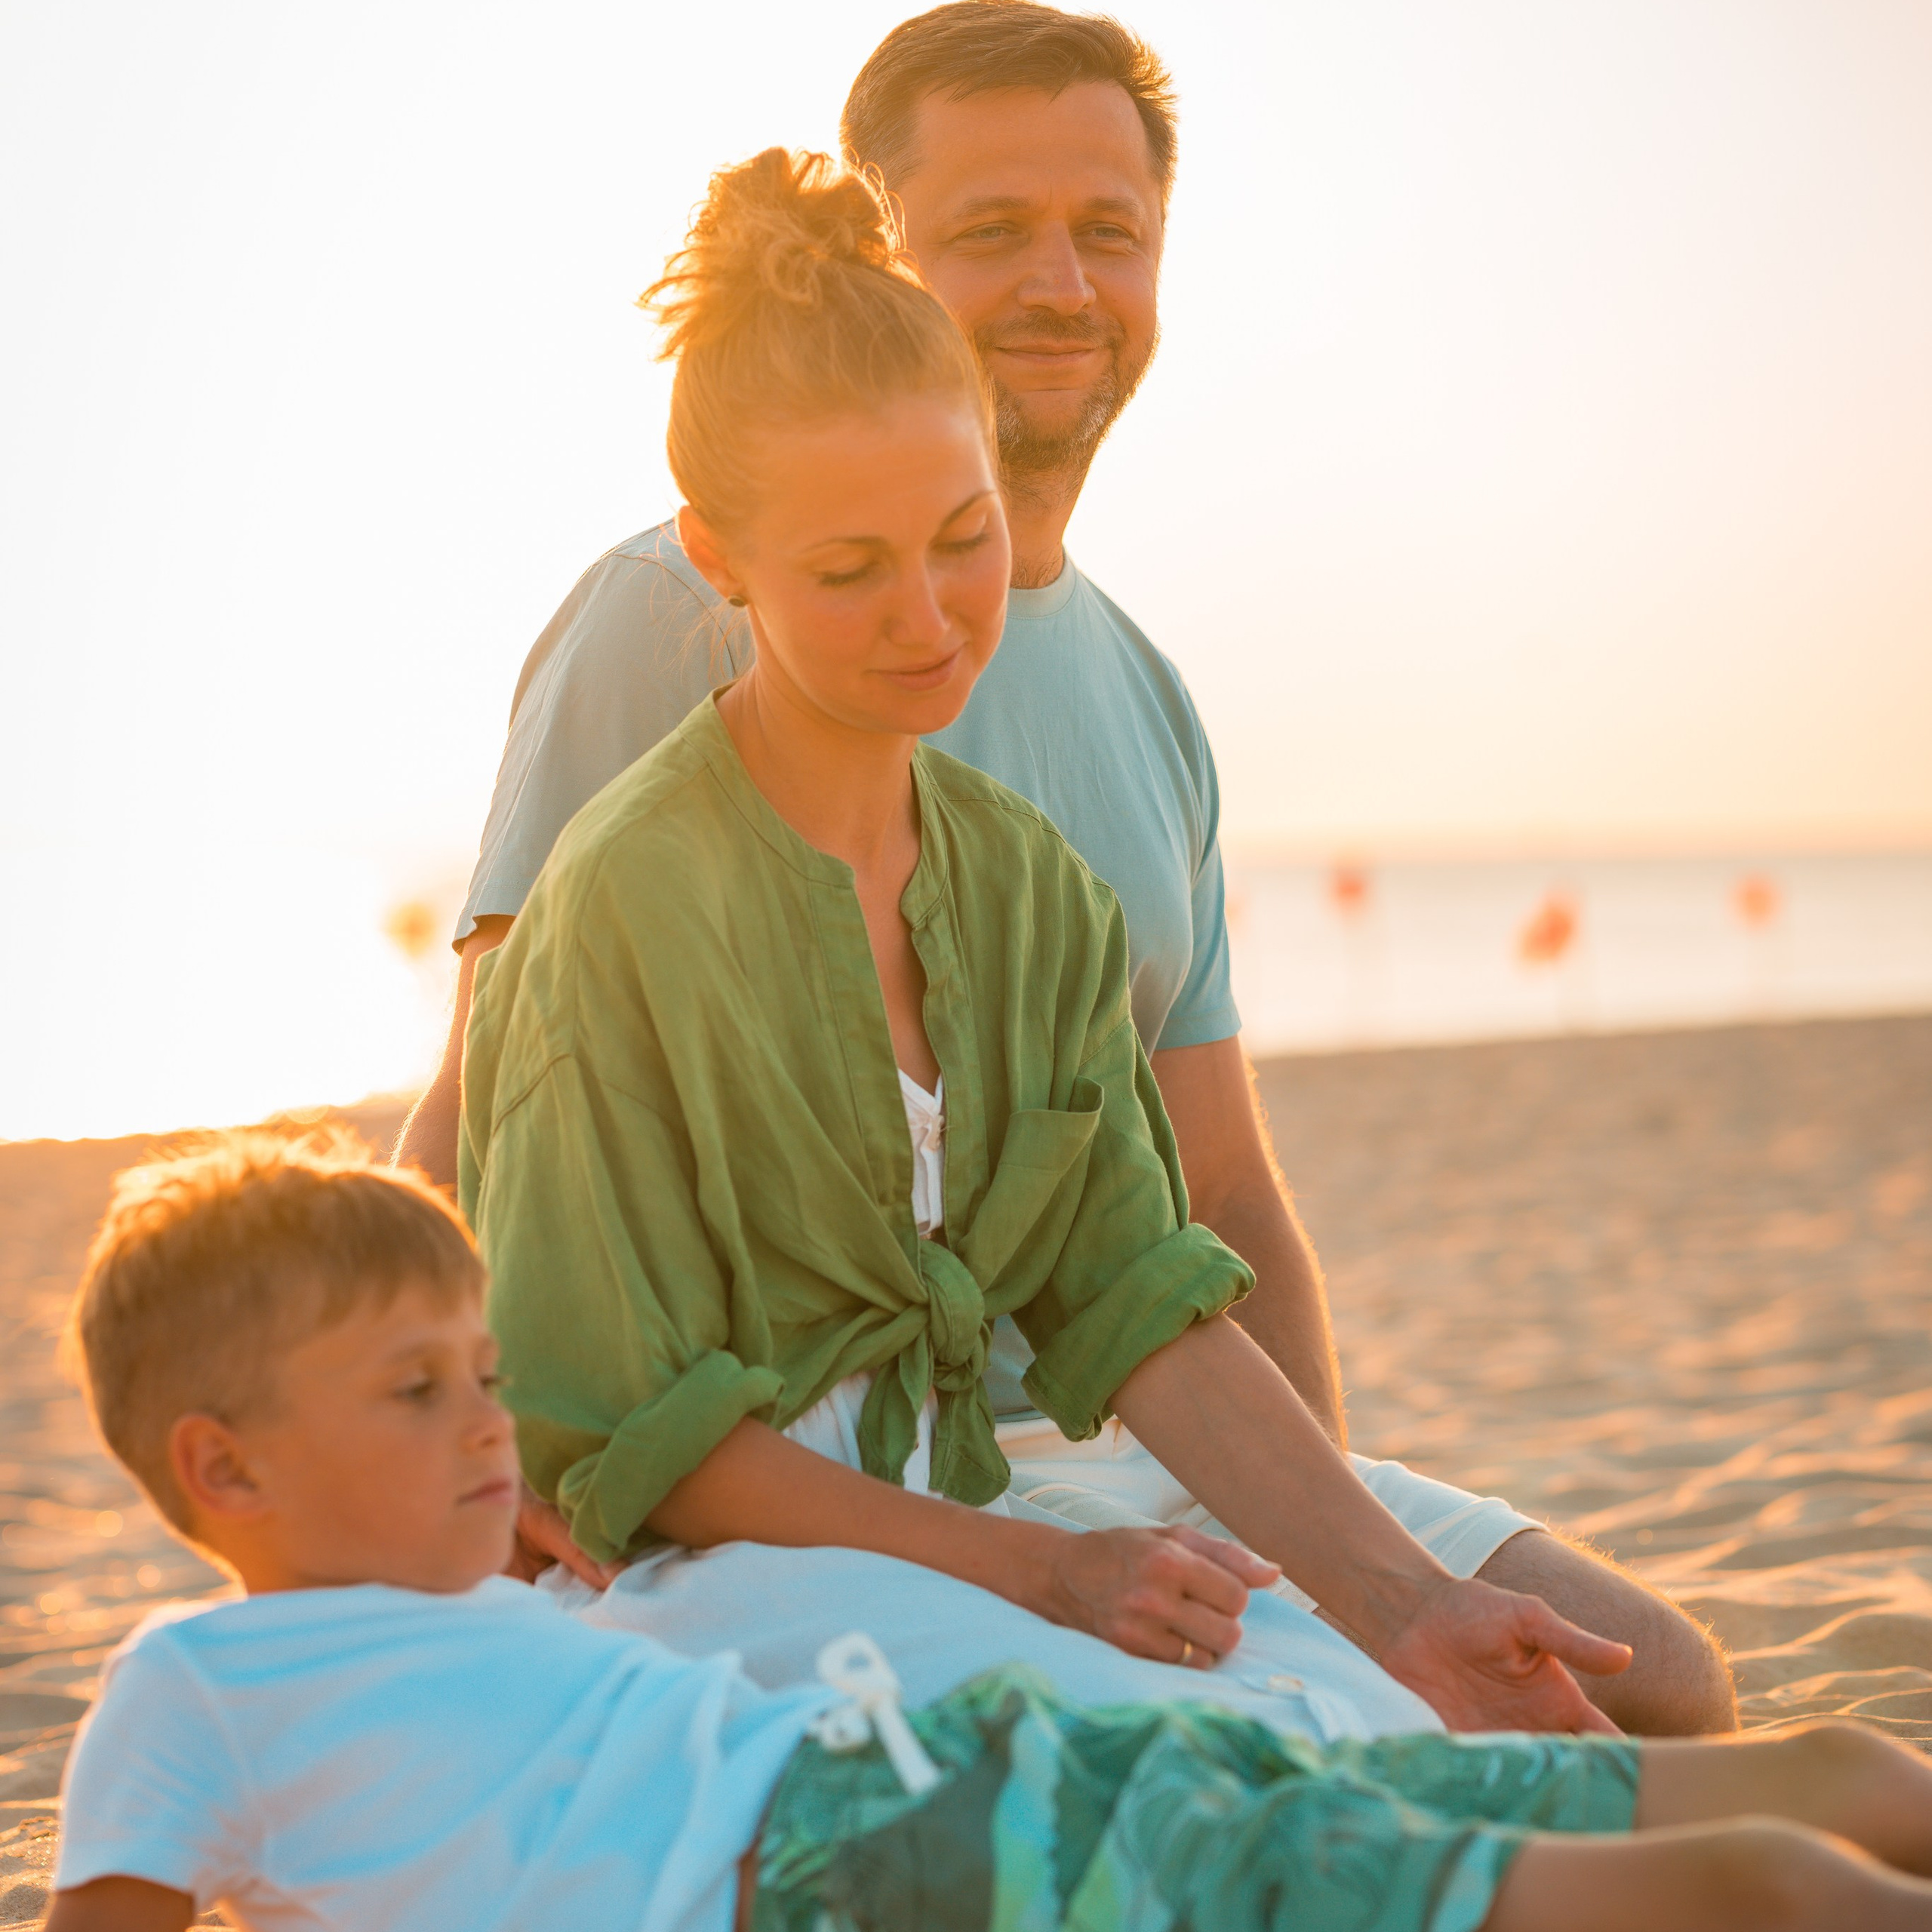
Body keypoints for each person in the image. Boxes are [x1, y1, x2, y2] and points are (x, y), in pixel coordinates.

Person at [399, 0, 1732, 1734]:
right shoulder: (682, 617)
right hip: (795, 1477)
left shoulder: (1137, 709)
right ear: (879, 266)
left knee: (1660, 1683)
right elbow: (478, 1121)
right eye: (991, 229)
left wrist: (1332, 1564)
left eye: (1107, 229)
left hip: (1132, 1436)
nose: (1060, 283)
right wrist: (434, 1535)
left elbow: (1212, 1200)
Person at [46, 1134, 1932, 1932]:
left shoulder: (366, 1652)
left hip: (910, 1845)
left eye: (485, 1371)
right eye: (415, 1388)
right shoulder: (217, 1676)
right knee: (1639, 1837)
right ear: (225, 1467)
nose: (489, 1420)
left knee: (1637, 1874)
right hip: (951, 1797)